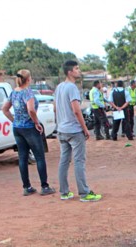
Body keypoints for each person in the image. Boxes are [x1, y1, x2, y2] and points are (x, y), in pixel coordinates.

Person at [2, 69, 56, 196]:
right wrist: (36, 122)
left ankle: (27, 187)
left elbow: (5, 109)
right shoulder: (28, 93)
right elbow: (31, 110)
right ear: (28, 79)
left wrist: (14, 121)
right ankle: (44, 186)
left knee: (23, 157)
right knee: (39, 157)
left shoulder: (14, 92)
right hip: (29, 128)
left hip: (18, 128)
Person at [54, 60, 102, 202]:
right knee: (79, 161)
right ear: (70, 72)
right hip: (73, 130)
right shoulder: (72, 88)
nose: (79, 70)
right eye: (76, 68)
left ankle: (64, 192)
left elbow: (55, 108)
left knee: (64, 160)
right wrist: (85, 128)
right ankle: (84, 192)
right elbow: (76, 110)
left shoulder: (59, 87)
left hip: (62, 129)